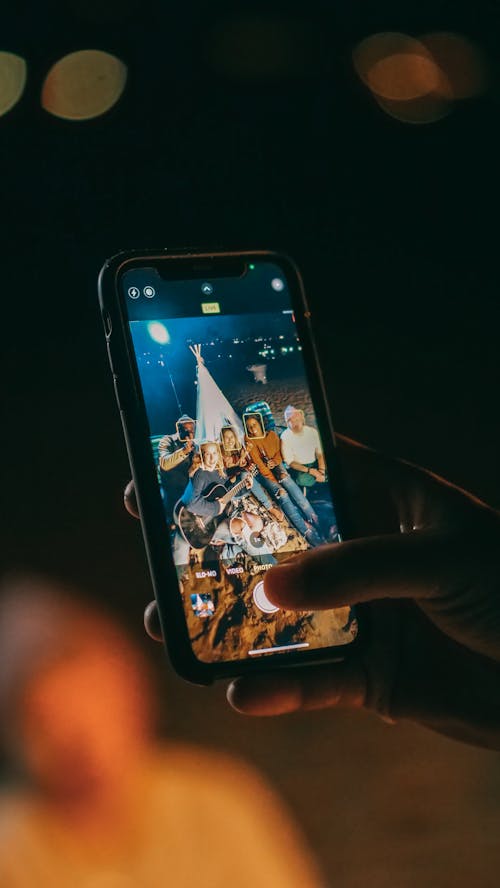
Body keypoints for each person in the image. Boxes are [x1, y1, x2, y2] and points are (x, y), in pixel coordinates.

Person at [128, 435, 500, 750]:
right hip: (209, 524)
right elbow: (197, 503)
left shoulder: (227, 471)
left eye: (214, 453)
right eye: (209, 453)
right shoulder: (201, 473)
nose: (213, 456)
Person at [0, 577, 324, 887]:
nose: (84, 751)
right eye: (48, 728)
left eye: (93, 712)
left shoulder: (216, 801)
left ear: (133, 694)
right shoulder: (12, 844)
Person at [244, 412, 323, 546]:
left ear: (260, 424)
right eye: (249, 426)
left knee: (286, 479)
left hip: (275, 465)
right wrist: (276, 483)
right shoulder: (249, 440)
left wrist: (275, 462)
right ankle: (306, 531)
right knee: (283, 495)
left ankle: (313, 516)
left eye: (254, 424)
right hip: (264, 473)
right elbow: (260, 466)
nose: (252, 428)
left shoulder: (272, 435)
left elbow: (279, 454)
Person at [220, 425, 284, 523]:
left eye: (232, 437)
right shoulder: (221, 453)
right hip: (232, 490)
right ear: (222, 439)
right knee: (245, 475)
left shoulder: (238, 449)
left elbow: (246, 466)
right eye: (226, 437)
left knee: (253, 472)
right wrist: (243, 457)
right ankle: (270, 508)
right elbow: (229, 474)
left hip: (245, 480)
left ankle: (277, 491)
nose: (230, 440)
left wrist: (246, 461)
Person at [157, 414, 196, 521]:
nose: (189, 433)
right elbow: (165, 463)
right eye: (185, 430)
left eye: (191, 430)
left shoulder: (196, 443)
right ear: (178, 429)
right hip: (173, 492)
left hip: (190, 493)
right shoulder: (167, 440)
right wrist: (184, 451)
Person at [280, 406, 326, 490]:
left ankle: (319, 480)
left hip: (315, 463)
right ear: (287, 422)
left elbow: (319, 454)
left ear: (301, 418)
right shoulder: (285, 437)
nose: (295, 423)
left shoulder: (312, 431)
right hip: (301, 468)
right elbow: (290, 462)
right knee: (301, 479)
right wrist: (311, 471)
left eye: (297, 419)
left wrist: (321, 470)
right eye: (291, 420)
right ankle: (321, 481)